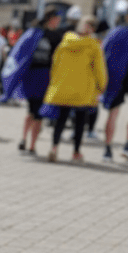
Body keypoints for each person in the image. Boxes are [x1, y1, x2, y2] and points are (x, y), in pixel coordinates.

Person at [43, 16, 107, 163]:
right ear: (93, 29)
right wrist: (101, 86)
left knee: (61, 119)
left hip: (63, 86)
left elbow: (55, 62)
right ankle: (76, 152)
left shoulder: (65, 42)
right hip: (83, 89)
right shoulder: (94, 45)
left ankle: (54, 147)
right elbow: (99, 69)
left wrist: (55, 82)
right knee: (80, 122)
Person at [3, 9, 66, 155]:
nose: (58, 22)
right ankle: (27, 142)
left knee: (35, 112)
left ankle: (28, 142)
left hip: (45, 77)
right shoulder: (35, 33)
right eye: (57, 18)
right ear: (51, 18)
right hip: (34, 76)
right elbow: (21, 52)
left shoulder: (56, 35)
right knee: (34, 111)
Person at [100, 2, 128, 163]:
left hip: (117, 76)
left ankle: (107, 149)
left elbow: (104, 52)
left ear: (127, 15)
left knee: (113, 112)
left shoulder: (117, 31)